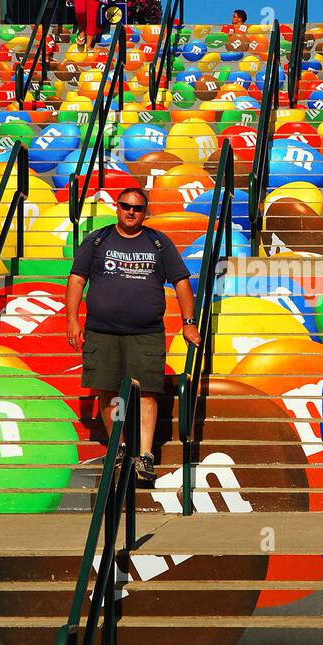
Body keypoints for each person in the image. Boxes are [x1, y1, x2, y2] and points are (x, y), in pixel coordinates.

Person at [65, 186, 200, 483]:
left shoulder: (158, 242)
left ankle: (145, 456)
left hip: (146, 333)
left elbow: (181, 282)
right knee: (108, 391)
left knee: (148, 392)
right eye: (125, 206)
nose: (130, 212)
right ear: (117, 207)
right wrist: (72, 319)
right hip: (102, 332)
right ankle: (120, 448)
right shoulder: (97, 240)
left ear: (145, 212)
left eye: (137, 208)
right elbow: (76, 279)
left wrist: (189, 322)